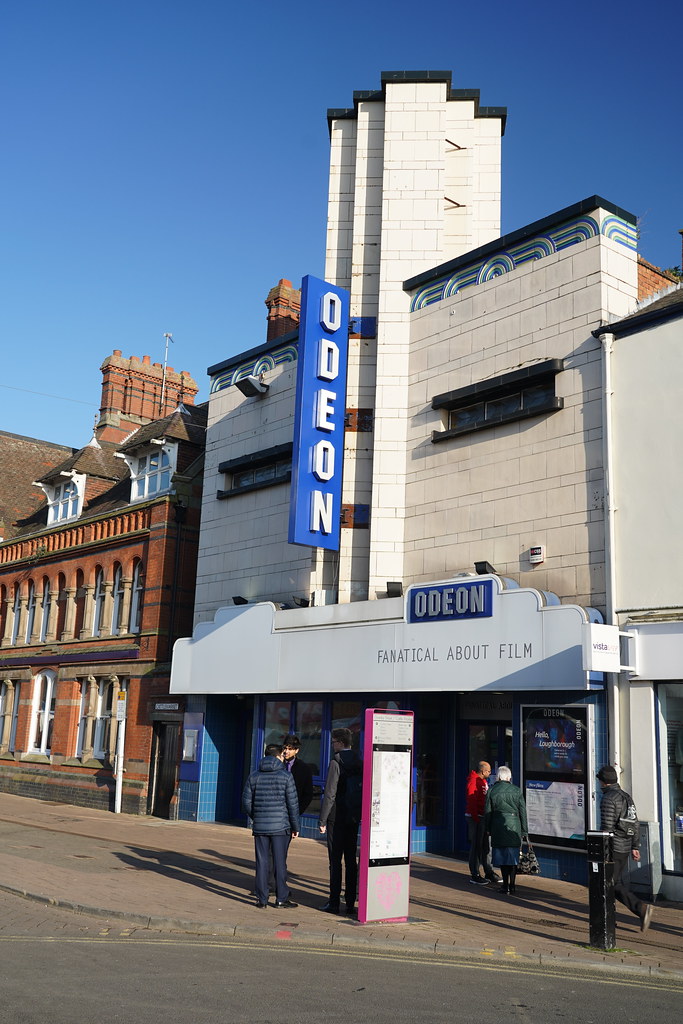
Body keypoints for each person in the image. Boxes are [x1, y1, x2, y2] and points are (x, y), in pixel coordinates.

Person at [241, 743, 300, 909]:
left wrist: (256, 816)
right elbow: (293, 804)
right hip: (281, 827)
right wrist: (295, 826)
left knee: (261, 862)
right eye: (282, 754)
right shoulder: (286, 776)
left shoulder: (254, 776)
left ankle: (262, 899)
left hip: (260, 826)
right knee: (280, 863)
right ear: (278, 756)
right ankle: (281, 898)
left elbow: (246, 801)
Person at [597, 765, 653, 933]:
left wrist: (602, 848)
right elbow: (634, 823)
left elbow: (606, 828)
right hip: (625, 846)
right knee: (614, 882)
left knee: (609, 883)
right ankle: (611, 919)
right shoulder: (626, 797)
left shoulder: (608, 799)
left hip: (614, 847)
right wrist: (635, 846)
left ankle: (640, 909)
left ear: (603, 782)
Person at [318, 727, 363, 915]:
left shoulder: (336, 762)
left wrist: (322, 819)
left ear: (340, 742)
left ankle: (334, 902)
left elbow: (330, 794)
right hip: (353, 817)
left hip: (336, 817)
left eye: (334, 742)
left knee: (335, 861)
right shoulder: (360, 762)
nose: (332, 745)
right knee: (351, 861)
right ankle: (351, 903)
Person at [484, 765, 528, 895]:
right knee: (513, 858)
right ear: (509, 777)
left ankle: (505, 886)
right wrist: (524, 831)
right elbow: (523, 812)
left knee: (503, 859)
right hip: (514, 826)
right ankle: (513, 885)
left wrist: (488, 828)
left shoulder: (492, 791)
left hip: (497, 826)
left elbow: (488, 812)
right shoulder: (517, 790)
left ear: (498, 777)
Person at [465, 760, 499, 885]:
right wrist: (476, 817)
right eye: (489, 771)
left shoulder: (483, 781)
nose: (490, 773)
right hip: (476, 818)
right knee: (476, 846)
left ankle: (488, 871)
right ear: (483, 771)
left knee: (485, 846)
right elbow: (472, 799)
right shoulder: (474, 781)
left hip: (482, 817)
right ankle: (475, 874)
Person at [282, 734, 314, 814]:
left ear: (296, 750)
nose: (286, 751)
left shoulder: (304, 768)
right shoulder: (278, 765)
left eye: (290, 749)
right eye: (285, 748)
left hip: (293, 811)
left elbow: (308, 794)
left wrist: (298, 811)